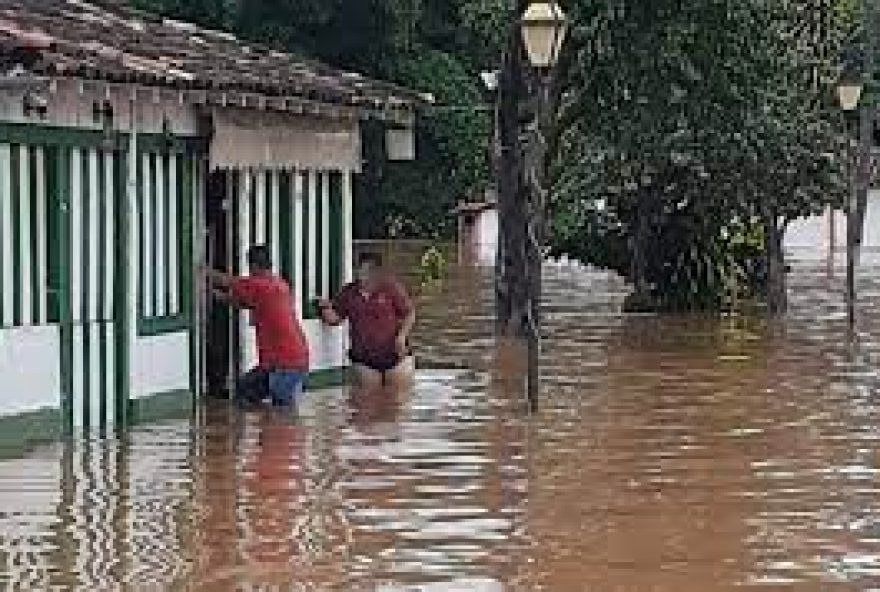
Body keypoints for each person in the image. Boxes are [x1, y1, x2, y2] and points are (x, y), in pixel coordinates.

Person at [204, 245, 309, 407]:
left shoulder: (260, 285)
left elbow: (226, 280)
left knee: (282, 412)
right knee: (245, 390)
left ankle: (266, 427)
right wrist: (219, 296)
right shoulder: (278, 285)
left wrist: (201, 269)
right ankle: (260, 427)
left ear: (253, 266)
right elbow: (247, 303)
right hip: (284, 362)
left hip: (286, 365)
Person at [318, 252, 415, 390]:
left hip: (396, 357)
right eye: (360, 270)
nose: (362, 275)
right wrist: (325, 308)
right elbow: (335, 319)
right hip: (364, 359)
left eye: (368, 271)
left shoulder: (391, 288)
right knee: (366, 402)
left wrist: (401, 336)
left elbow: (409, 313)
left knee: (396, 402)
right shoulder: (349, 292)